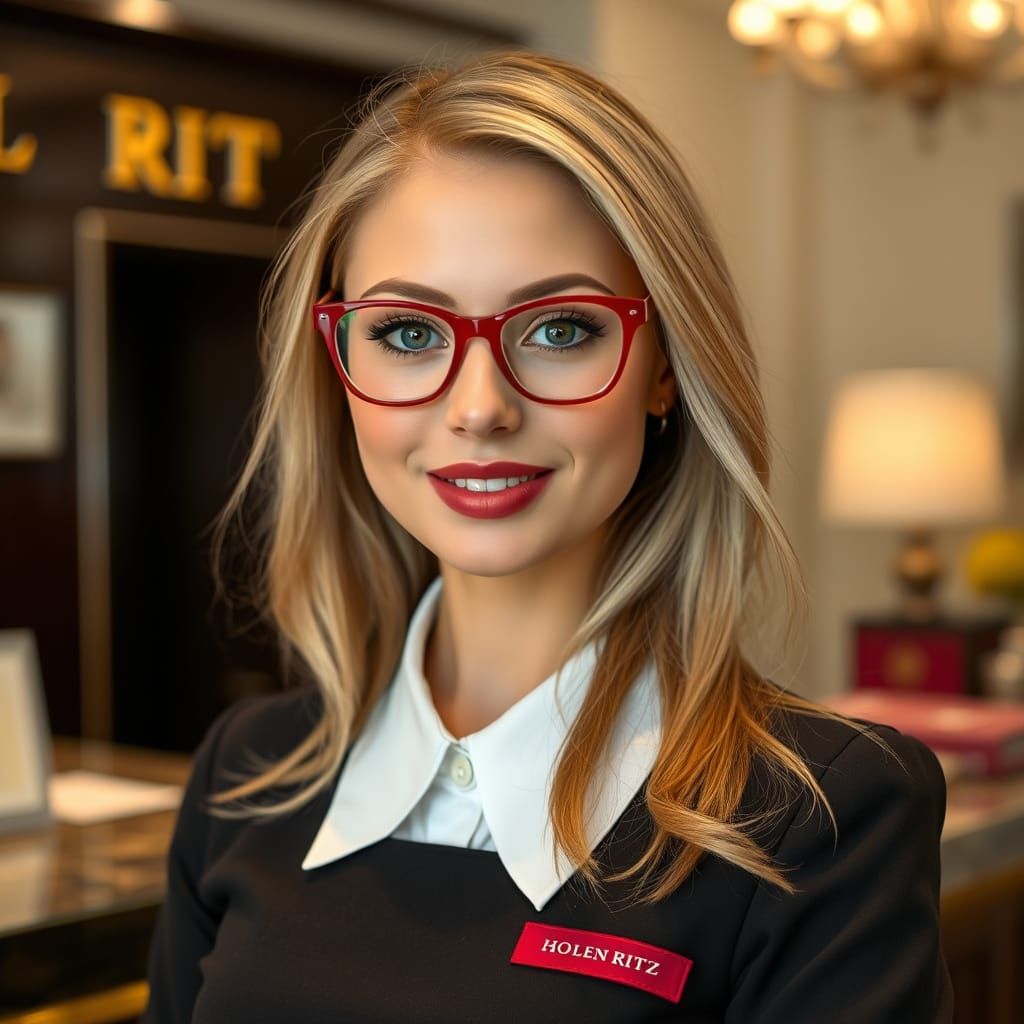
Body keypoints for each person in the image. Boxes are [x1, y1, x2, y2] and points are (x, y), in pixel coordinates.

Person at [142, 48, 953, 1023]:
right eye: (407, 333)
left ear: (663, 367)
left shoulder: (820, 816)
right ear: (337, 367)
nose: (479, 407)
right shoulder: (245, 772)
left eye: (560, 328)